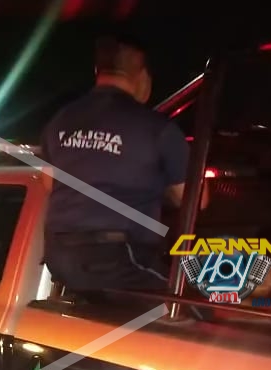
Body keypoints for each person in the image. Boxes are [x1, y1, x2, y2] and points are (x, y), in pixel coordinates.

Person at [41, 35, 208, 294]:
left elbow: (49, 185)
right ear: (142, 76)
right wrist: (157, 183)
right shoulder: (156, 129)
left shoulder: (59, 120)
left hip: (60, 258)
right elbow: (198, 201)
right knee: (202, 306)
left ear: (98, 72)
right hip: (121, 263)